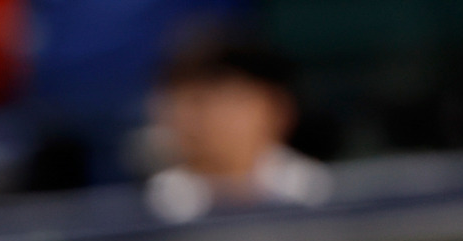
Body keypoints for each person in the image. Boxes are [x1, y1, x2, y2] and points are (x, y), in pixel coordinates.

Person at [141, 38, 332, 223]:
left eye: (232, 101)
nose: (213, 119)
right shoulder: (154, 204)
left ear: (277, 109)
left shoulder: (312, 190)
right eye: (198, 102)